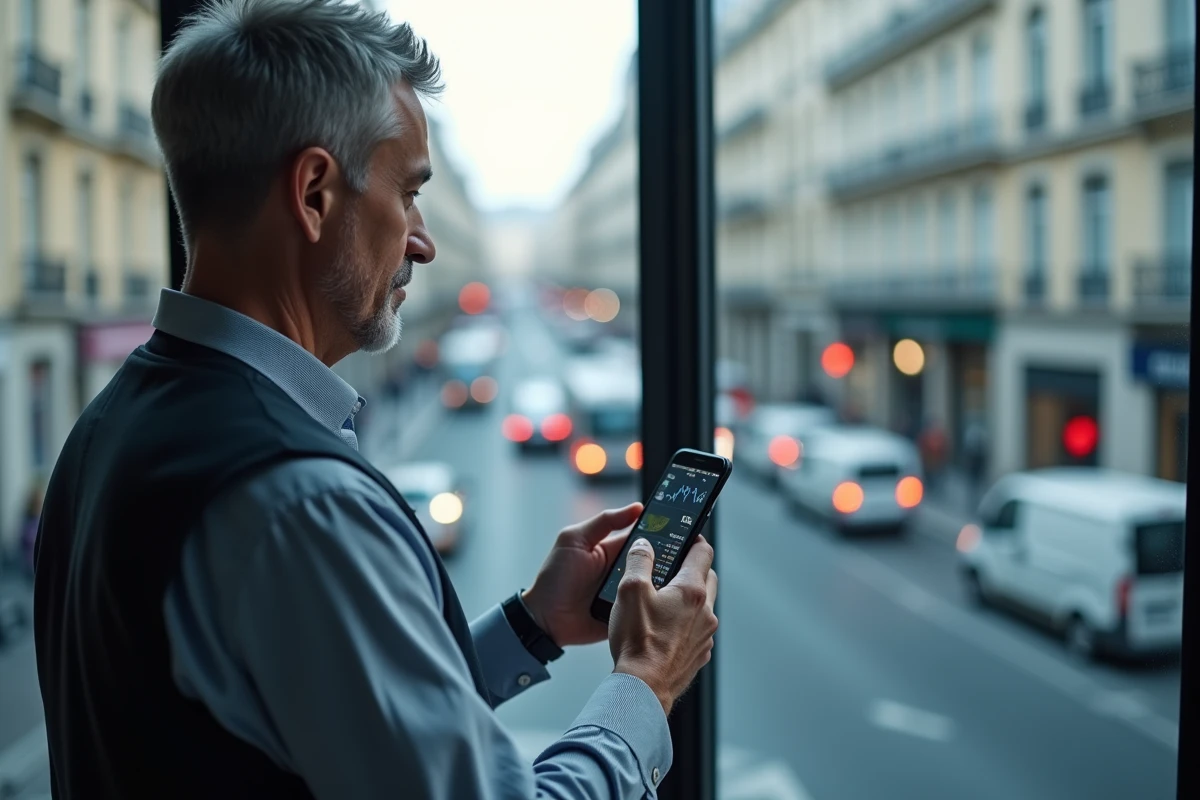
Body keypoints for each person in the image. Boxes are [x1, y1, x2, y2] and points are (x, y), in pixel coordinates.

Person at [32, 2, 718, 798]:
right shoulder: (299, 502)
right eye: (409, 192)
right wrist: (644, 686)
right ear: (316, 193)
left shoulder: (110, 425)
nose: (423, 239)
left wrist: (529, 624)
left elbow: (331, 721)